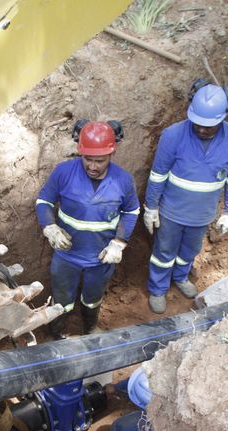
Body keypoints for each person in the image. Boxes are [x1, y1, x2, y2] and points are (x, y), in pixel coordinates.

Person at [143, 80, 228, 314]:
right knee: (164, 252)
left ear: (224, 117)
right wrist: (151, 207)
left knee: (189, 250)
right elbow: (158, 175)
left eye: (209, 125)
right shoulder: (173, 135)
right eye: (198, 123)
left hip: (202, 214)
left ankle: (180, 277)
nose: (201, 129)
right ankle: (158, 288)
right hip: (172, 211)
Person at [36, 120, 140, 339]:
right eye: (87, 159)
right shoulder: (63, 172)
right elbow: (44, 200)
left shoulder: (123, 180)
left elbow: (131, 212)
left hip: (100, 257)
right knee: (62, 298)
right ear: (80, 153)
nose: (92, 166)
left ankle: (90, 328)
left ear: (112, 154)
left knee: (93, 296)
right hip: (67, 256)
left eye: (99, 161)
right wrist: (50, 227)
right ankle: (56, 332)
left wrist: (119, 243)